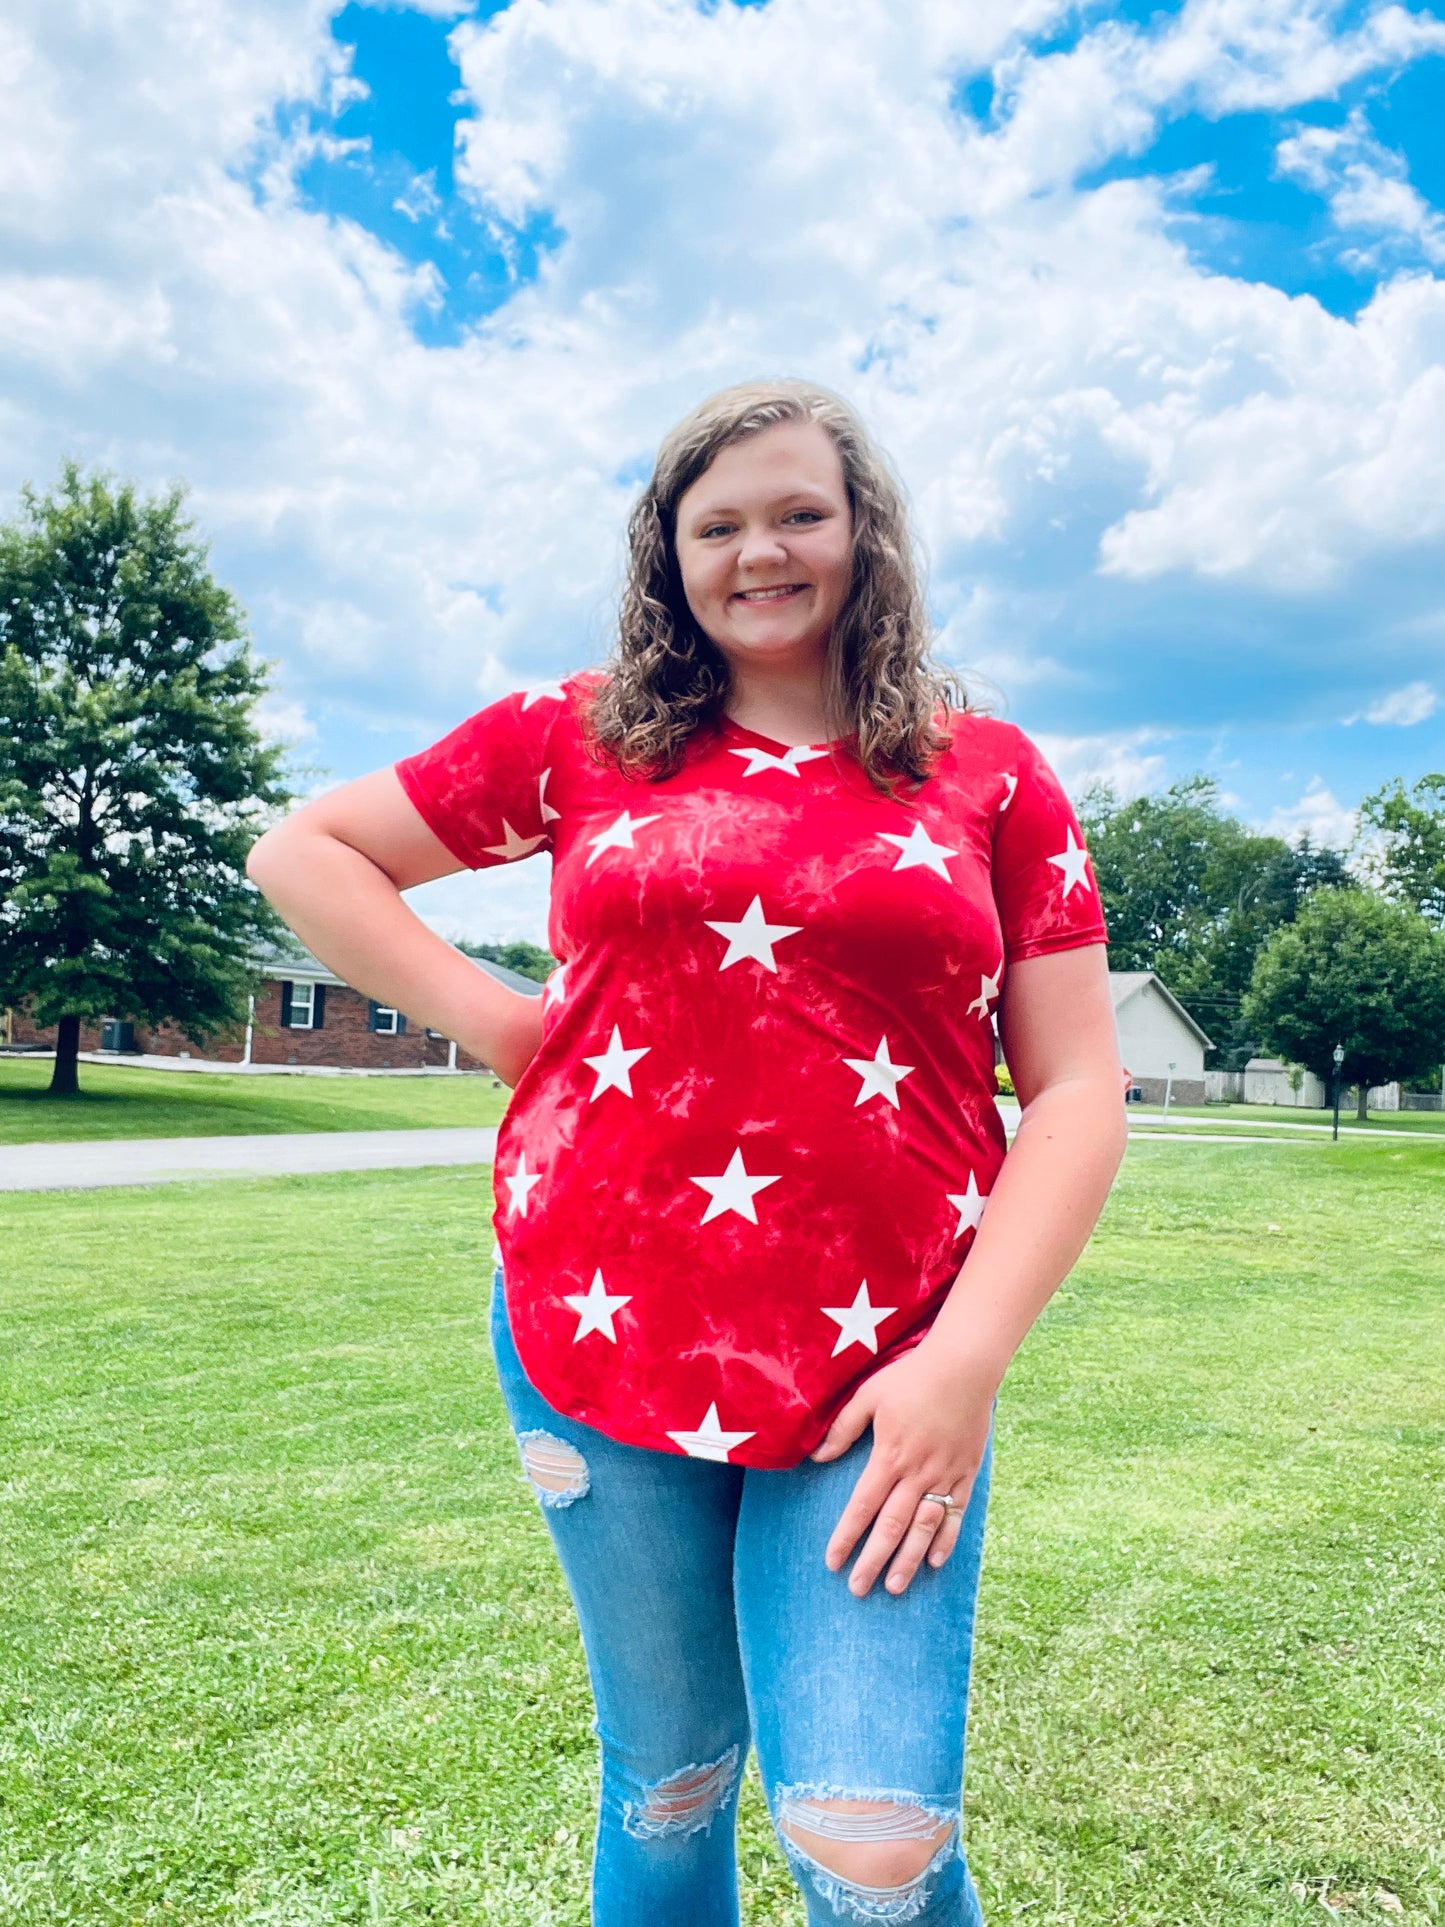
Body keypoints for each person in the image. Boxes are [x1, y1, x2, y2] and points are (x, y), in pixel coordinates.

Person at [247, 379, 1127, 1925]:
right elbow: (302, 854)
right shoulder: (581, 740)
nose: (759, 553)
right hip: (600, 1325)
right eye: (714, 524)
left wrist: (965, 1362)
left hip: (888, 1366)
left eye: (799, 512)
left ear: (866, 533)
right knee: (668, 1781)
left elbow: (1074, 1091)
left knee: (873, 1842)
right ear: (669, 555)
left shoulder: (986, 771)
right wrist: (512, 1026)